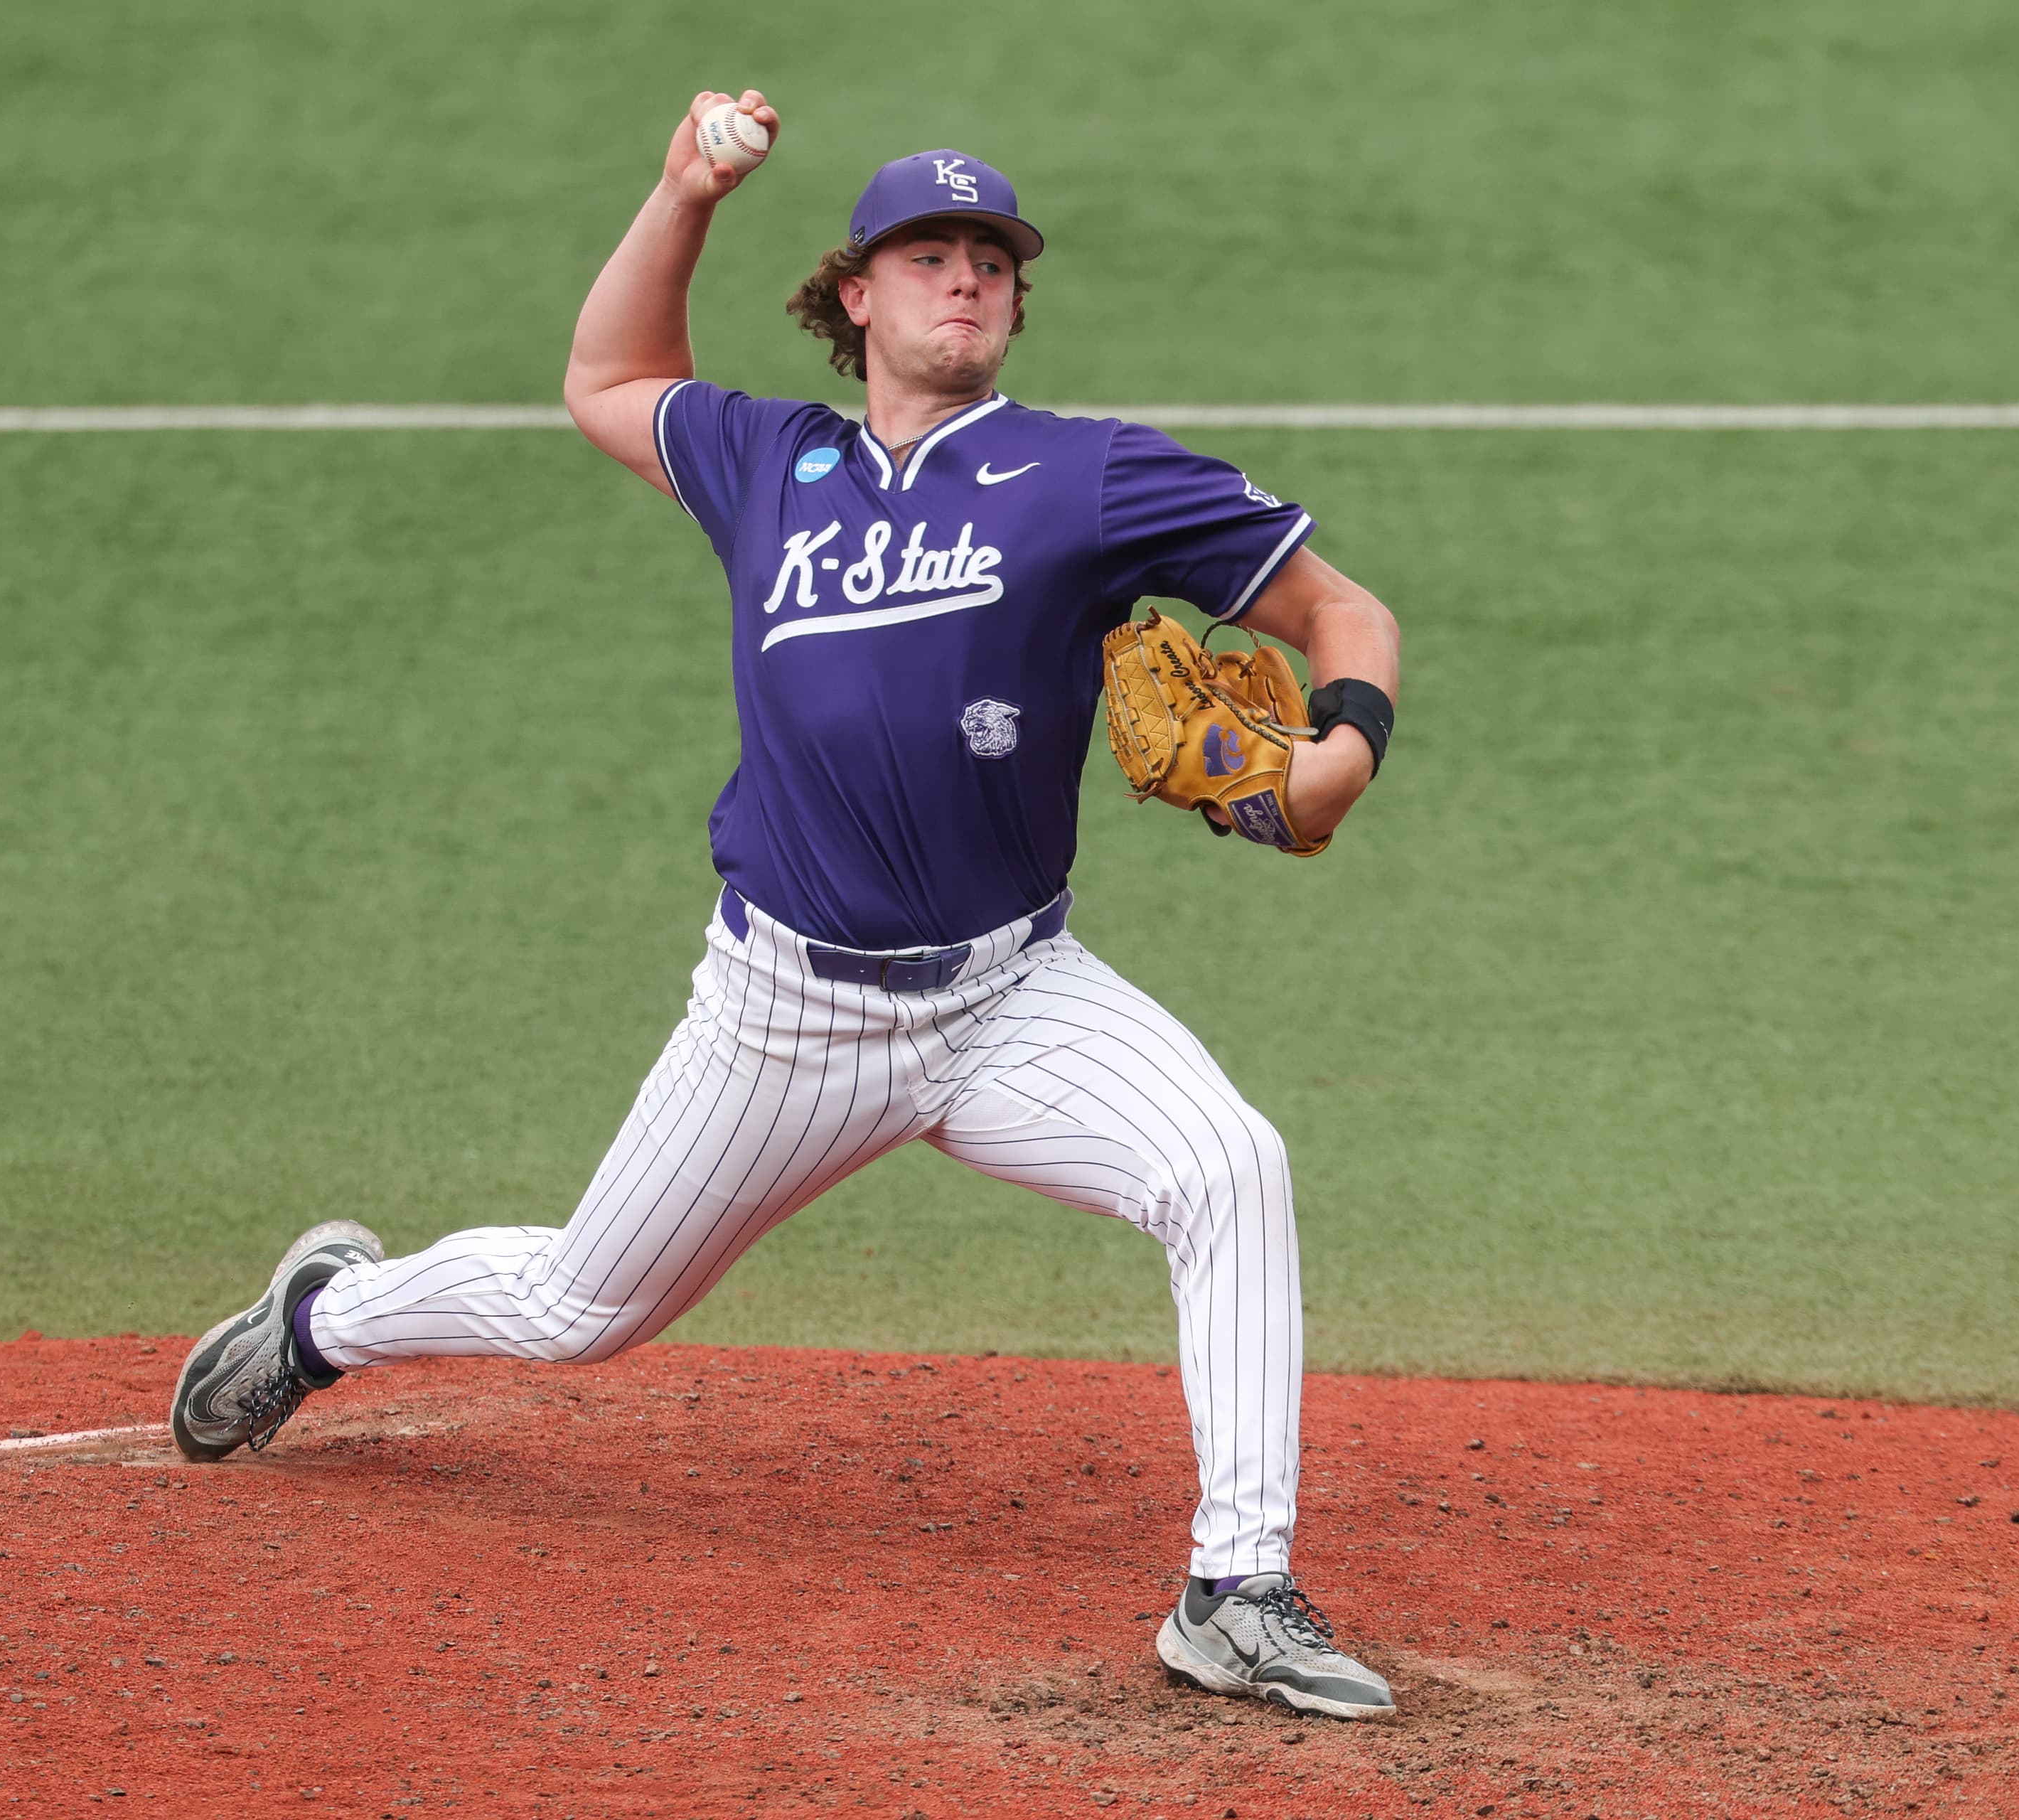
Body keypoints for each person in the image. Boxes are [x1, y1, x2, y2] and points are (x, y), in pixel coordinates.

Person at [172, 90, 1405, 1721]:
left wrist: (1339, 752)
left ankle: (1233, 1590)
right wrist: (684, 189)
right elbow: (608, 381)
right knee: (576, 1308)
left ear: (1018, 301)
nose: (962, 279)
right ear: (854, 296)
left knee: (1230, 1163)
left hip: (1013, 998)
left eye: (991, 259)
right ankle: (324, 1319)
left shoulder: (1087, 477)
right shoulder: (769, 462)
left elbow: (1340, 603)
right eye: (926, 255)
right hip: (784, 1013)